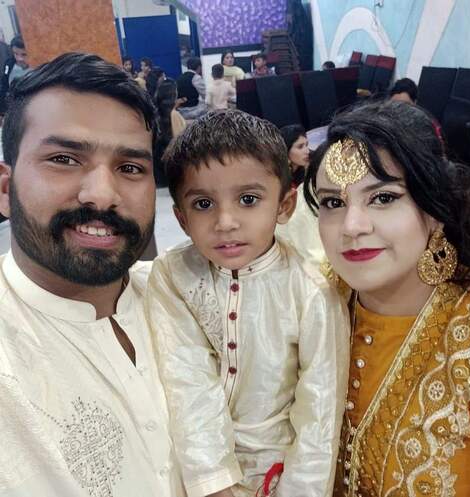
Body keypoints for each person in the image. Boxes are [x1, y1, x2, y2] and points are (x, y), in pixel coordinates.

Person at [0, 52, 185, 497]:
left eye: (130, 168)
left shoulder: (187, 295)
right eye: (64, 159)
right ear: (5, 190)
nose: (101, 195)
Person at [147, 109, 349, 497]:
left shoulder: (312, 290)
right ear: (182, 219)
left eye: (248, 199)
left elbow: (319, 416)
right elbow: (186, 380)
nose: (225, 221)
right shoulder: (174, 274)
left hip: (279, 467)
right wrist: (214, 484)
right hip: (192, 466)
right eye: (203, 204)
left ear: (284, 206)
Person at [304, 100, 470, 496]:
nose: (352, 227)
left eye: (383, 198)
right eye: (333, 203)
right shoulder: (311, 303)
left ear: (435, 209)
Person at [276, 124, 325, 268]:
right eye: (300, 147)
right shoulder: (278, 178)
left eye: (307, 145)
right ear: (286, 151)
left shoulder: (304, 170)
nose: (307, 151)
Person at [154, 77, 186, 186]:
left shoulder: (155, 115)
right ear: (173, 95)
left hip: (159, 172)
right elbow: (181, 143)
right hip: (175, 171)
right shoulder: (174, 115)